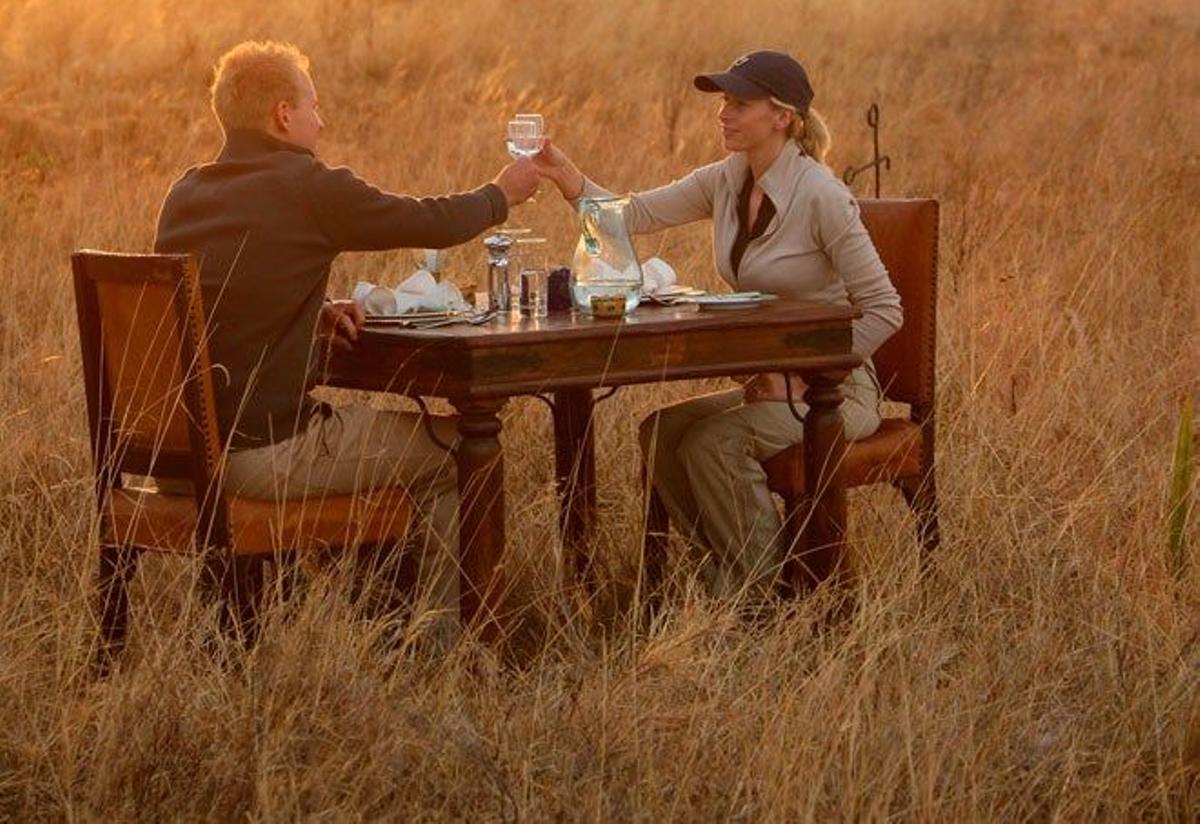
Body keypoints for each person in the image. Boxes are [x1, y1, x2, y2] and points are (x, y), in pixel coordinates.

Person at [154, 38, 539, 618]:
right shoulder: (308, 185)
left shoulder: (187, 192)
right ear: (283, 114)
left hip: (179, 454)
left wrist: (311, 311)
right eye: (313, 105)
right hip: (262, 454)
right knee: (464, 450)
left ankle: (371, 625)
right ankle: (440, 649)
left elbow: (222, 298)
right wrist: (500, 194)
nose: (321, 119)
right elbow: (425, 221)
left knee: (397, 455)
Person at [534, 50, 902, 599]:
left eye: (739, 103)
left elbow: (885, 308)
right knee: (660, 431)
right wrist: (569, 178)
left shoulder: (822, 194)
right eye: (724, 101)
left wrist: (812, 375)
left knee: (712, 443)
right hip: (778, 385)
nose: (723, 113)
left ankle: (769, 595)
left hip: (838, 392)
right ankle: (732, 574)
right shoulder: (727, 178)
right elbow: (630, 216)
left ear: (782, 117)